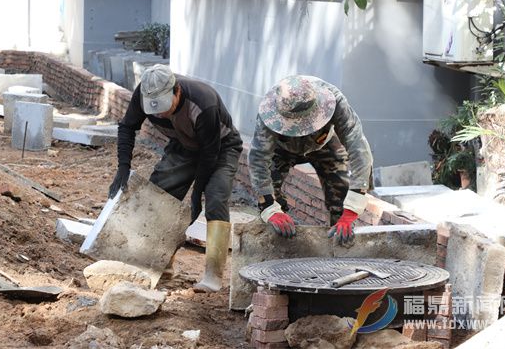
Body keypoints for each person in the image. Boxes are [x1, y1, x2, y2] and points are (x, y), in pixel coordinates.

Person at [108, 64, 243, 292]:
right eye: (155, 109)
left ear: (177, 91)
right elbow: (127, 127)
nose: (160, 114)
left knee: (216, 197)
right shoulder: (143, 93)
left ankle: (212, 275)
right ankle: (162, 264)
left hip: (220, 148)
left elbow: (209, 154)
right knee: (159, 196)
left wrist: (197, 193)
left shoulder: (203, 102)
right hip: (183, 144)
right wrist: (123, 167)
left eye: (163, 106)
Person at [248, 75, 373, 244]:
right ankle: (279, 245)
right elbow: (258, 158)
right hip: (282, 148)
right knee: (271, 203)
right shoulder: (270, 110)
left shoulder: (334, 101)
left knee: (341, 195)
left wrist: (352, 206)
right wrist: (269, 205)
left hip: (324, 143)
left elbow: (358, 146)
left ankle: (340, 248)